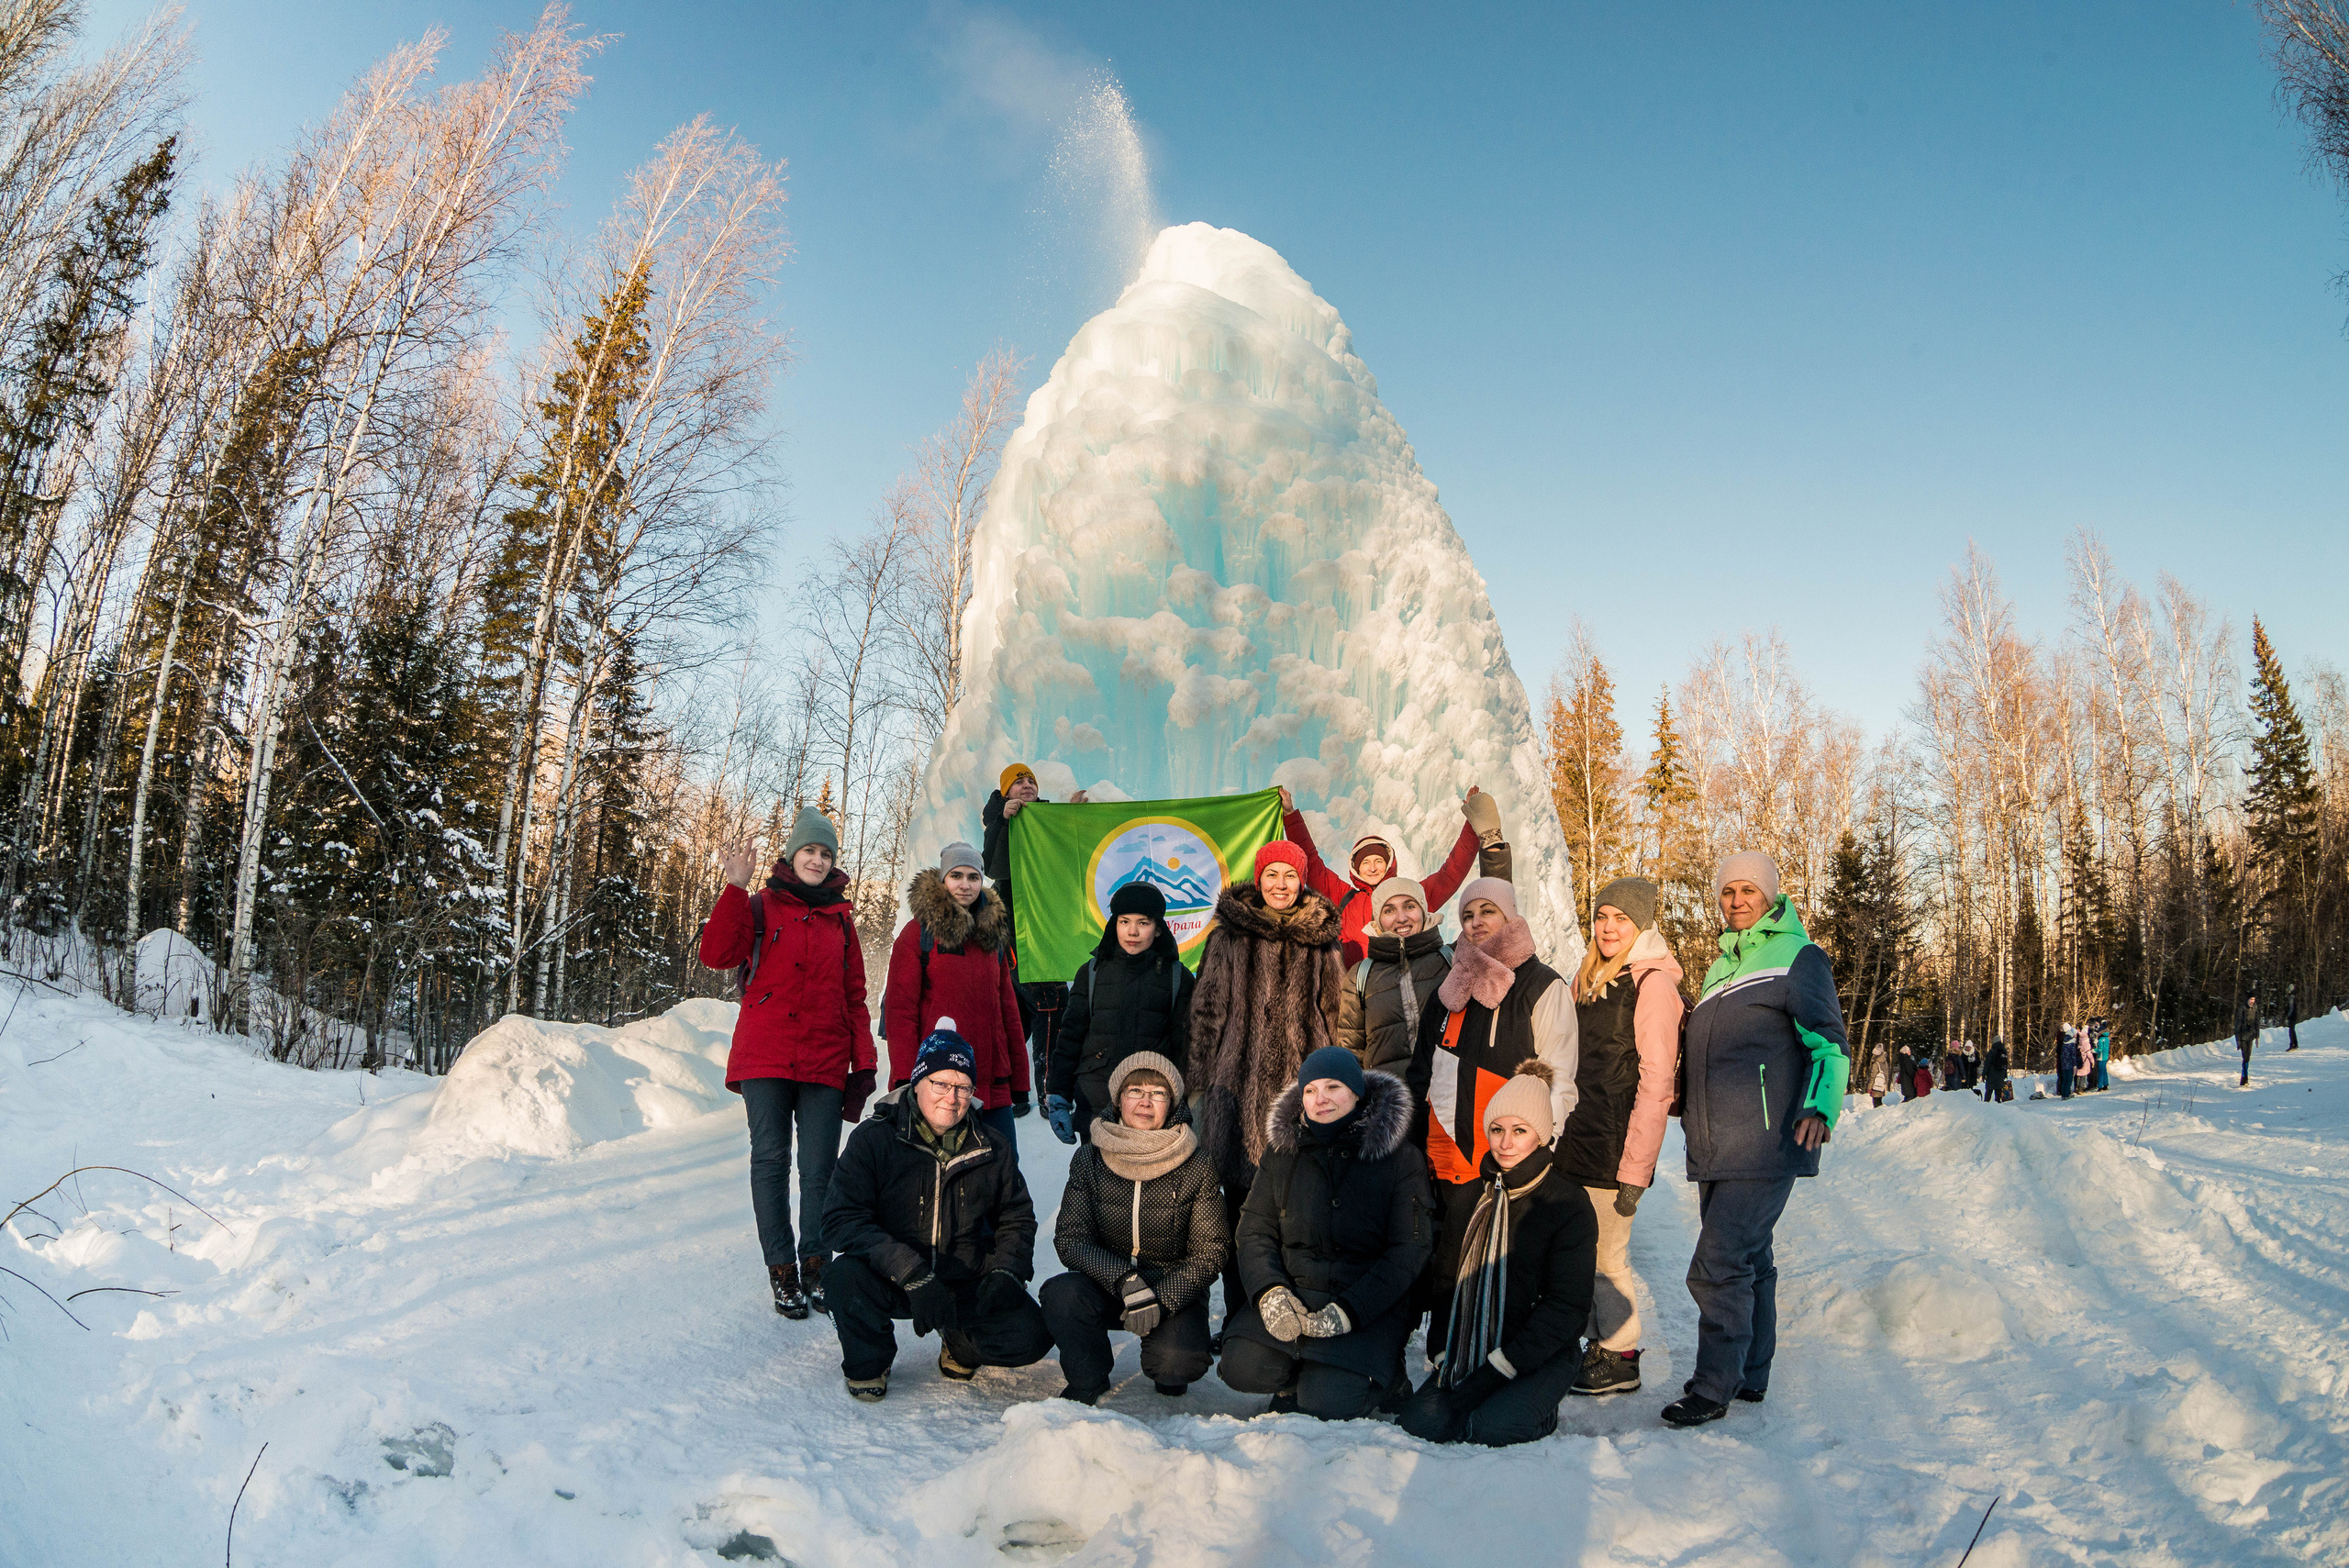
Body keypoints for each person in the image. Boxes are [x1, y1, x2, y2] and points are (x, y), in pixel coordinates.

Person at [1662, 851, 1848, 1429]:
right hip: (1717, 1144)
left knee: (1716, 1264)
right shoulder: (1721, 966)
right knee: (1751, 1262)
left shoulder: (1799, 956)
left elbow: (1829, 1042)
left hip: (1768, 1140)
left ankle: (1712, 1385)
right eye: (1727, 892)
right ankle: (1750, 1373)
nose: (1737, 900)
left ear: (1771, 895)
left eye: (1748, 890)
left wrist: (1820, 1105)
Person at [698, 808, 874, 1320]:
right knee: (771, 1163)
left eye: (826, 853)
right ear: (792, 855)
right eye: (810, 851)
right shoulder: (759, 906)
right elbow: (717, 953)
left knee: (820, 1169)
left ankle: (817, 1265)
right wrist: (733, 889)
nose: (818, 860)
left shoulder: (842, 921)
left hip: (824, 1057)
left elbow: (856, 996)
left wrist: (863, 1063)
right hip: (766, 1055)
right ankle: (782, 1272)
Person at [819, 1025, 1053, 1403]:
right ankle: (871, 1359)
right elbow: (839, 1218)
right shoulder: (875, 1138)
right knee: (842, 1279)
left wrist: (1007, 1270)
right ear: (918, 1083)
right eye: (941, 1083)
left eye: (963, 1087)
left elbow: (1017, 1216)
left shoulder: (992, 1145)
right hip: (894, 1274)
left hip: (962, 1279)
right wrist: (909, 1270)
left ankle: (961, 1345)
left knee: (1031, 1334)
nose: (952, 1097)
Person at [1407, 877, 1577, 1387]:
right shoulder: (1450, 989)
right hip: (1451, 1152)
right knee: (1451, 1259)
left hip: (1510, 1154)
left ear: (1511, 918)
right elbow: (1422, 1071)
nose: (1477, 922)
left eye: (1488, 912)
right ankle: (1444, 1356)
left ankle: (1498, 1364)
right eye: (1468, 915)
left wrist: (1538, 1153)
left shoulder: (1542, 985)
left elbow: (1560, 1077)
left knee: (1505, 1264)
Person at [1218, 1047, 1433, 1419]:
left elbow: (1409, 1249)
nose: (1321, 1099)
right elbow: (1254, 1229)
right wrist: (1271, 1293)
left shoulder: (1400, 1158)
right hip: (1296, 1293)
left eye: (1333, 1087)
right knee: (1240, 1367)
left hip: (1364, 1305)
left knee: (1328, 1404)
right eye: (1310, 1090)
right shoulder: (1282, 1151)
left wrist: (1350, 1311)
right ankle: (1294, 1376)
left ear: (1356, 1093)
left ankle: (1386, 1377)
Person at [1399, 1060, 1598, 1446]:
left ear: (1540, 1136)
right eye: (1497, 1129)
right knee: (1420, 1426)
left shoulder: (1567, 1204)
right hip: (1469, 1347)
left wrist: (1498, 1370)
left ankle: (1540, 1410)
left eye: (1519, 1131)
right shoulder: (1470, 1197)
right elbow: (1446, 1280)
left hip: (1540, 1351)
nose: (1505, 1143)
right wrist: (1442, 1353)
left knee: (1486, 1429)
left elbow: (1567, 1308)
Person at [1187, 840, 1345, 1312]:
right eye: (1272, 874)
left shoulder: (1320, 940)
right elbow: (1207, 1010)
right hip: (1236, 1094)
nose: (1281, 885)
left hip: (1303, 1097)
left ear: (1302, 881)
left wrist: (1340, 1089)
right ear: (1259, 879)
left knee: (1297, 1214)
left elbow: (1334, 1014)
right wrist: (1198, 1082)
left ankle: (1293, 1308)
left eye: (1290, 876)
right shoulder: (1228, 937)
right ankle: (1241, 1318)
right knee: (1240, 1214)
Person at [1554, 877, 1682, 1398]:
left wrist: (1636, 1170)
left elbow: (1657, 1083)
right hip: (1573, 1141)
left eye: (1621, 919)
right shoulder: (1587, 976)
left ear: (1642, 925)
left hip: (1613, 1146)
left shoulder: (1652, 984)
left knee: (1609, 1258)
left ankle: (1622, 1355)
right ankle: (1595, 1344)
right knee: (1577, 1253)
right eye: (1602, 916)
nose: (1609, 928)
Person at [1041, 1052, 1226, 1404]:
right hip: (1110, 1284)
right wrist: (1126, 1281)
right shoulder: (1090, 1157)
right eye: (1135, 1090)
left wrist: (1162, 1297)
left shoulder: (1196, 1161)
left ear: (1171, 1103)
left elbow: (1212, 1250)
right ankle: (1089, 1377)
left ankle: (1168, 1359)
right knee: (1062, 1296)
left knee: (1176, 1363)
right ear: (1118, 1099)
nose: (1145, 1101)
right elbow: (1070, 1238)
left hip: (1172, 1290)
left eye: (1157, 1093)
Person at [884, 842, 1028, 1144]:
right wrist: (906, 1081)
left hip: (991, 1085)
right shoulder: (917, 935)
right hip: (939, 1087)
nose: (965, 884)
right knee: (945, 1178)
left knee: (1003, 1172)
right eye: (956, 876)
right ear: (942, 880)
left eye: (973, 877)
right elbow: (901, 1013)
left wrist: (1019, 1078)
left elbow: (1008, 1012)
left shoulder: (994, 937)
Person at [1278, 784, 1508, 967]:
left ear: (1390, 864)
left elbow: (1450, 874)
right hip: (1351, 996)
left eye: (1379, 861)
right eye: (1365, 862)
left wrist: (1472, 825)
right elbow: (1311, 863)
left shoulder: (1409, 899)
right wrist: (1290, 816)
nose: (1372, 867)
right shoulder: (1344, 898)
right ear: (1355, 869)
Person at [1045, 882, 1196, 1144]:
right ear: (1114, 924)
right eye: (1124, 921)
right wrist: (1058, 1094)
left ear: (1158, 929)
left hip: (1153, 1113)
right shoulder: (1090, 973)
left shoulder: (1177, 978)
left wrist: (1183, 1103)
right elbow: (1069, 1039)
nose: (1133, 931)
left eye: (1143, 923)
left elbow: (1186, 1049)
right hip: (1096, 1107)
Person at [980, 762, 1089, 1106]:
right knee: (1049, 1001)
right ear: (1005, 791)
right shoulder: (1001, 819)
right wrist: (1004, 821)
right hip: (1018, 930)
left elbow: (1065, 859)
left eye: (1031, 781)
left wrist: (1071, 818)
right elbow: (994, 867)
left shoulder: (1044, 818)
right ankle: (1049, 1092)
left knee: (1020, 1011)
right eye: (1018, 782)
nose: (1027, 785)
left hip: (1047, 926)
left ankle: (1011, 1089)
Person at [1336, 875, 1457, 1077]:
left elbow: (1498, 927)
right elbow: (1350, 1053)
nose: (1401, 918)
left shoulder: (1452, 960)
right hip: (1390, 1101)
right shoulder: (1360, 976)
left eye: (1409, 906)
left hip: (1451, 1097)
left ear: (1423, 911)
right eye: (1389, 910)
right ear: (1378, 919)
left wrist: (1493, 853)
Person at [2236, 991, 2259, 1087]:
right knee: (2245, 1057)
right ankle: (2245, 1078)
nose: (2252, 1001)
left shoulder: (2256, 1008)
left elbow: (2257, 1023)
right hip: (2242, 1036)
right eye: (2251, 999)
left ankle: (2244, 1076)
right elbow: (2238, 1024)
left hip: (2251, 1036)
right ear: (2247, 1000)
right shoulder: (2242, 1008)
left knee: (2247, 1058)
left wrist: (2257, 1037)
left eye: (2253, 999)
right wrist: (2238, 1040)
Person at [1983, 1037, 2011, 1103]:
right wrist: (2005, 1074)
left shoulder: (1991, 1052)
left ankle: (1985, 1105)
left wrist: (1984, 1074)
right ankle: (1998, 1105)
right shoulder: (2004, 1051)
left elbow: (1987, 1064)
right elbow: (2005, 1064)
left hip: (1991, 1074)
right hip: (2000, 1074)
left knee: (1989, 1091)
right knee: (1998, 1090)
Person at [2055, 1025, 2079, 1100]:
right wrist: (2075, 1065)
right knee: (2069, 1079)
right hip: (2069, 1064)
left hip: (2064, 1064)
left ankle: (2064, 1094)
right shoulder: (2071, 1044)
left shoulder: (2064, 1043)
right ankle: (2066, 1095)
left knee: (2064, 1079)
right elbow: (2073, 1056)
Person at [2286, 986, 2299, 1051]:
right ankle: (2295, 1044)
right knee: (2292, 1030)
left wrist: (2288, 1015)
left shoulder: (2291, 997)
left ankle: (2292, 1045)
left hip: (2292, 1016)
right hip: (2295, 1015)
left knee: (2291, 1030)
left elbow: (2291, 1007)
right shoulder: (2294, 996)